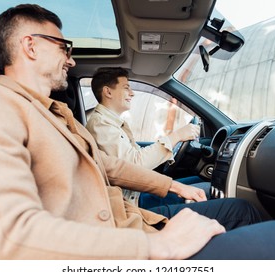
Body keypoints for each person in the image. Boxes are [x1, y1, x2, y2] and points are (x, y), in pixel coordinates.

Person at [0, 4, 275, 260]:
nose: (72, 57)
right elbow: (7, 239)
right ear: (30, 46)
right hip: (109, 253)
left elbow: (108, 165)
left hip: (125, 223)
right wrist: (156, 246)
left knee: (242, 208)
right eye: (63, 45)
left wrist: (172, 187)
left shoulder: (53, 112)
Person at [86, 67, 210, 208]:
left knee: (200, 181)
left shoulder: (112, 122)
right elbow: (134, 165)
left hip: (136, 192)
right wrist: (176, 136)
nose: (132, 93)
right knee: (207, 189)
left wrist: (174, 141)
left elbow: (137, 156)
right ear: (108, 92)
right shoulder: (101, 125)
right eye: (126, 88)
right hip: (131, 203)